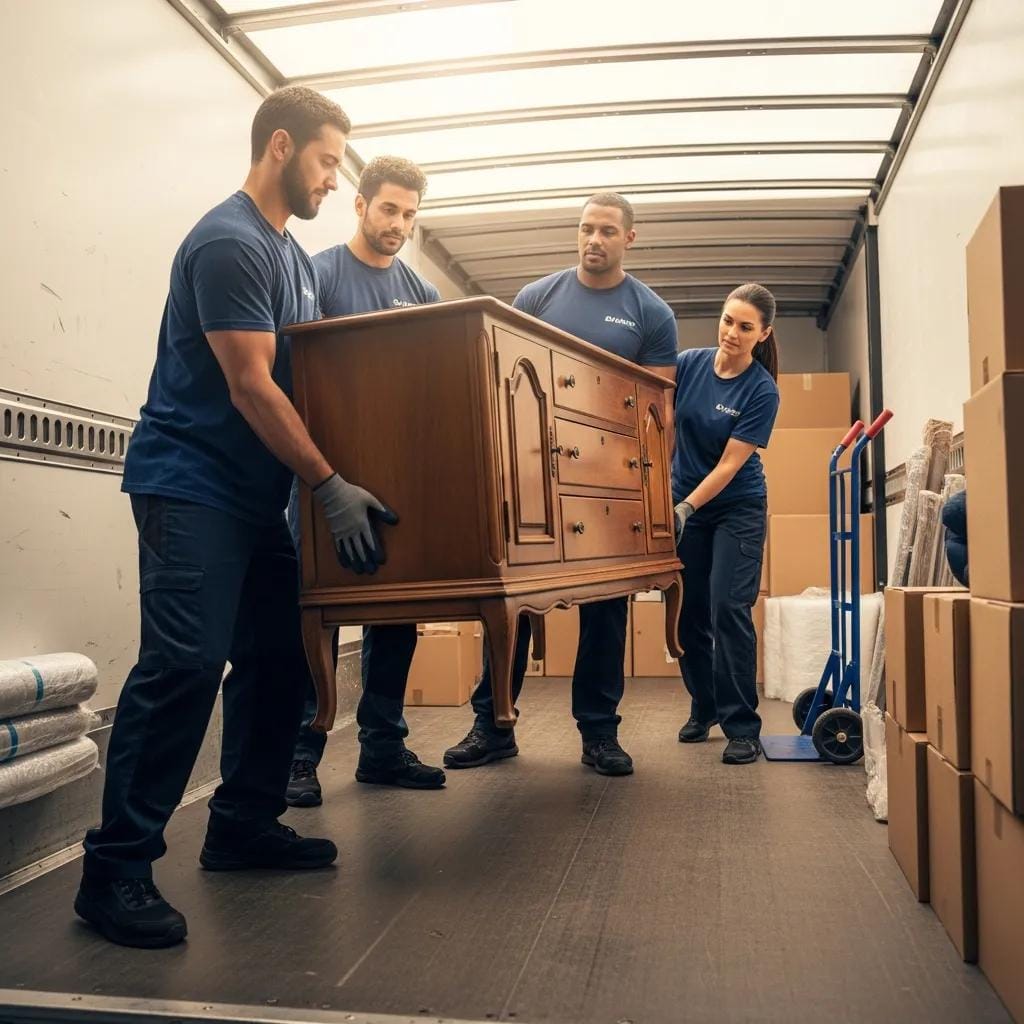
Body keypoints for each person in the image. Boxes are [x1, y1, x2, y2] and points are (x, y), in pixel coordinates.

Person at [75, 87, 397, 950]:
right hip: (191, 486)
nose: (333, 180)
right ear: (281, 146)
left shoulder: (291, 256)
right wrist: (327, 484)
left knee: (279, 660)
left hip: (255, 499)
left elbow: (305, 380)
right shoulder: (229, 241)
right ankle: (114, 870)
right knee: (184, 664)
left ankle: (244, 824)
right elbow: (252, 385)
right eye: (326, 161)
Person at [443, 192, 677, 777]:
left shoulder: (651, 313)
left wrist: (648, 495)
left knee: (606, 609)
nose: (593, 239)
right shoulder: (536, 297)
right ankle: (493, 725)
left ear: (630, 238)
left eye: (607, 230)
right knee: (512, 601)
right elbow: (504, 386)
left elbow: (658, 415)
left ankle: (599, 733)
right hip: (533, 480)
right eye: (586, 228)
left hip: (608, 483)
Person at [285, 156, 445, 806]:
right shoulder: (316, 275)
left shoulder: (423, 294)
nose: (399, 224)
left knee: (397, 617)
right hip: (323, 482)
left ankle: (381, 747)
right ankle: (299, 755)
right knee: (315, 617)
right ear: (360, 205)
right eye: (389, 209)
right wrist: (323, 480)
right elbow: (292, 380)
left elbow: (432, 393)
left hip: (395, 483)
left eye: (409, 214)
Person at [673, 283, 781, 765]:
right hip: (687, 504)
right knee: (688, 612)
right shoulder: (689, 364)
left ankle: (741, 725)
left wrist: (685, 507)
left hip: (736, 506)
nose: (732, 332)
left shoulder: (761, 389)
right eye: (727, 320)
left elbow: (730, 465)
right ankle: (705, 705)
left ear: (763, 334)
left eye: (745, 327)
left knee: (727, 607)